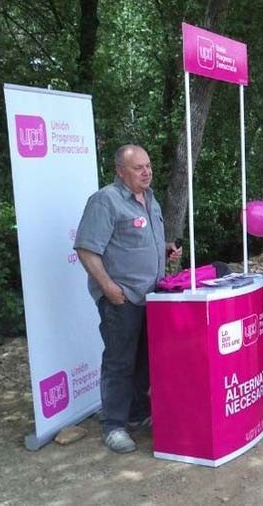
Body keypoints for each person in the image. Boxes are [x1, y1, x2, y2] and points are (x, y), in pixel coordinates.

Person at [74, 144, 182, 454]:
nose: (147, 172)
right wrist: (108, 287)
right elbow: (86, 248)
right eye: (139, 168)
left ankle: (135, 413)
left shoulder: (149, 199)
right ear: (121, 171)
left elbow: (139, 241)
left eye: (148, 166)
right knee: (119, 363)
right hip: (122, 299)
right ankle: (114, 426)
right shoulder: (105, 201)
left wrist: (166, 248)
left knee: (145, 360)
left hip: (153, 299)